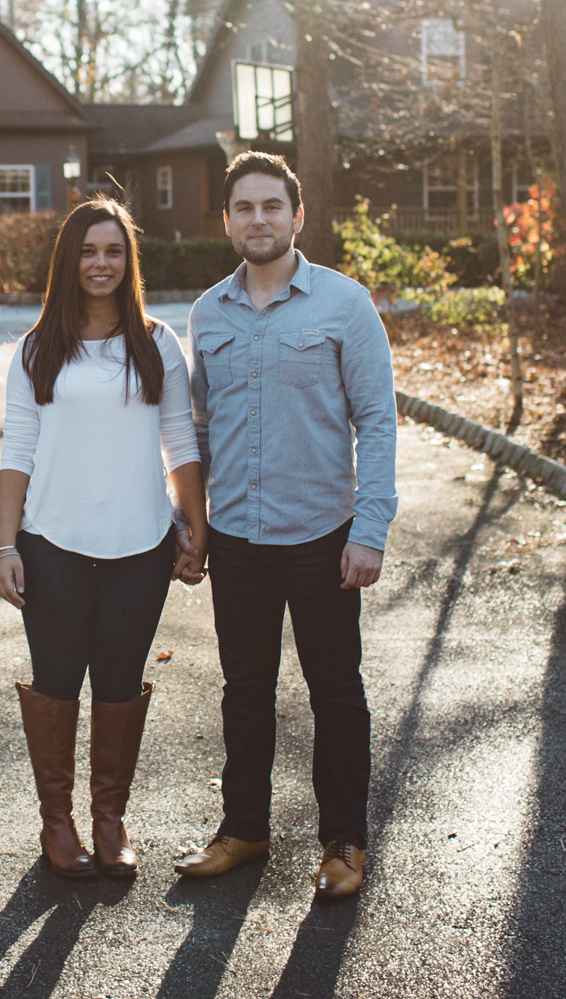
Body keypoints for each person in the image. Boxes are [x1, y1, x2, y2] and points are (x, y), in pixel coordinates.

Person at [173, 152, 396, 901]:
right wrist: (193, 526)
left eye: (273, 205)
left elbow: (378, 422)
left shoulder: (344, 303)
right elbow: (198, 428)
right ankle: (244, 828)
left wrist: (370, 528)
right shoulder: (208, 312)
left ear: (297, 216)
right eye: (244, 207)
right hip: (237, 537)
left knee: (335, 689)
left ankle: (345, 841)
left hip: (322, 536)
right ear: (229, 219)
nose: (258, 219)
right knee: (244, 689)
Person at [0, 198, 210, 879]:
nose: (101, 262)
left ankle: (109, 819)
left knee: (119, 684)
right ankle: (56, 823)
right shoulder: (36, 350)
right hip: (51, 545)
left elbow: (181, 442)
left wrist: (193, 525)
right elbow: (17, 452)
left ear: (129, 261)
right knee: (57, 683)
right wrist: (6, 545)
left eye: (113, 250)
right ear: (69, 259)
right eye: (88, 250)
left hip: (140, 546)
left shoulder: (156, 342)